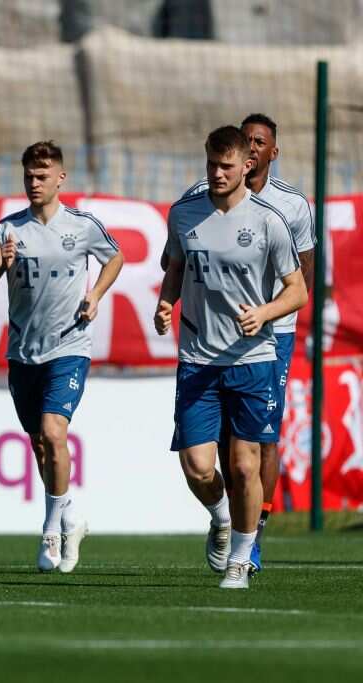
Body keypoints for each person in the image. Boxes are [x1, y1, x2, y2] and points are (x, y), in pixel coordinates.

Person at [155, 125, 307, 589]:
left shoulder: (268, 221)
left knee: (243, 465)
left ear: (248, 166)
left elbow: (297, 291)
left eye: (227, 166)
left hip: (252, 357)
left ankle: (241, 557)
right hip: (198, 359)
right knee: (199, 467)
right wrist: (167, 304)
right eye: (211, 165)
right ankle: (221, 517)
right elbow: (175, 267)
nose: (217, 173)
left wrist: (263, 313)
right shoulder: (184, 215)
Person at [0, 141, 123, 572]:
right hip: (24, 353)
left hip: (70, 346)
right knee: (41, 446)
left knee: (53, 431)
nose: (34, 182)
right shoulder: (9, 230)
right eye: (28, 176)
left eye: (42, 176)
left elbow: (115, 257)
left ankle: (50, 529)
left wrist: (95, 295)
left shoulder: (81, 226)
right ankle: (70, 517)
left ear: (60, 178)